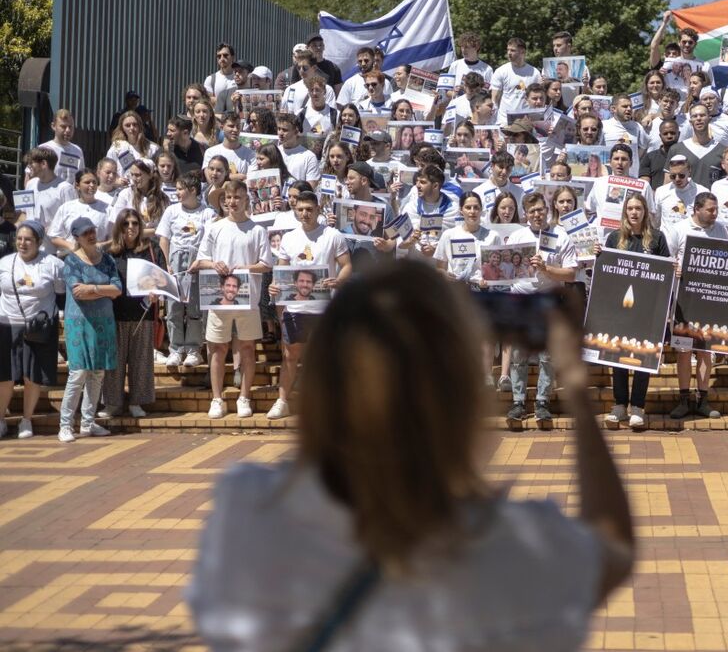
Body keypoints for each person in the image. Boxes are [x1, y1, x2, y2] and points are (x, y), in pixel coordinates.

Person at [188, 258, 633, 649]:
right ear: (459, 395)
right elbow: (613, 547)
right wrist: (574, 386)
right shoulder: (510, 547)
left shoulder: (246, 512)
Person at [267, 191, 351, 420]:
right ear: (295, 210)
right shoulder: (289, 238)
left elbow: (346, 265)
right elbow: (281, 271)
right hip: (295, 309)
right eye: (301, 209)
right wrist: (274, 287)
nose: (305, 213)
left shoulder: (332, 235)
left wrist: (339, 280)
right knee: (290, 356)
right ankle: (282, 401)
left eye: (309, 209)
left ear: (318, 210)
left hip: (325, 308)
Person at [194, 180, 273, 419]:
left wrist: (245, 268)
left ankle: (244, 397)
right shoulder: (215, 227)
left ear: (246, 199)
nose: (232, 202)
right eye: (228, 198)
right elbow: (201, 260)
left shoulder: (257, 230)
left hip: (248, 299)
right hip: (219, 299)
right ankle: (217, 399)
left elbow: (266, 264)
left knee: (248, 347)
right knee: (217, 348)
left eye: (237, 197)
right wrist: (213, 264)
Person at [596, 193, 669, 429]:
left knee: (642, 356)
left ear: (645, 211)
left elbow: (665, 273)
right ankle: (619, 405)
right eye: (630, 208)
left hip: (647, 310)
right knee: (617, 357)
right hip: (619, 309)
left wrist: (673, 270)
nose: (634, 212)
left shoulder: (657, 238)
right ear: (625, 212)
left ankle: (638, 407)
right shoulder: (614, 238)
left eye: (638, 208)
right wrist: (596, 255)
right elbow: (606, 273)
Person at [505, 192, 578, 427]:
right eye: (532, 211)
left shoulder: (561, 235)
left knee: (548, 356)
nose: (537, 214)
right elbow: (504, 270)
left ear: (547, 210)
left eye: (541, 209)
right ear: (526, 214)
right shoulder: (516, 236)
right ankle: (518, 402)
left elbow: (570, 273)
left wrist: (546, 269)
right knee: (518, 355)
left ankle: (542, 402)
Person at [57, 217, 122, 443]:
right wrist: (104, 290)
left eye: (92, 231)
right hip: (79, 323)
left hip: (103, 322)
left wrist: (93, 288)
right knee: (78, 373)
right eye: (85, 233)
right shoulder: (71, 262)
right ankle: (65, 425)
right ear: (76, 238)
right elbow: (77, 293)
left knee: (97, 373)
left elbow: (117, 290)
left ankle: (87, 422)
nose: (91, 235)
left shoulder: (108, 261)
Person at [664, 192, 726, 420]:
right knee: (683, 352)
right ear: (697, 209)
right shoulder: (679, 229)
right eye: (710, 209)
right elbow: (667, 260)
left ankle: (703, 400)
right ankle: (683, 400)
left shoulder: (720, 229)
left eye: (716, 209)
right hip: (684, 303)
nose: (715, 213)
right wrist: (675, 269)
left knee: (705, 352)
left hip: (710, 302)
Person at [0, 222, 64, 440]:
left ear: (38, 241)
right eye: (19, 238)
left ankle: (26, 420)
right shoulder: (5, 263)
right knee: (5, 376)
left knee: (31, 375)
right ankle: (0, 420)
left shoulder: (53, 264)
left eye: (28, 239)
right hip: (7, 325)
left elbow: (60, 293)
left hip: (37, 327)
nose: (22, 243)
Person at [101, 209, 166, 419]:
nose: (131, 228)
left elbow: (162, 278)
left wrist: (156, 292)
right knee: (114, 364)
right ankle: (112, 404)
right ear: (119, 226)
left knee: (141, 361)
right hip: (114, 314)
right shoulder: (110, 252)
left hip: (142, 314)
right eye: (126, 223)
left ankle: (137, 402)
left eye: (135, 223)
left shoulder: (151, 249)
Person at [156, 172, 216, 367]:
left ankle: (193, 349)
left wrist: (200, 261)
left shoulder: (207, 212)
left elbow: (209, 239)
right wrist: (167, 263)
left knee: (194, 308)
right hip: (175, 260)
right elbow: (163, 238)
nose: (178, 193)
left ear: (193, 190)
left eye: (181, 189)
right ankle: (175, 348)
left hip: (196, 261)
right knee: (174, 307)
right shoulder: (172, 211)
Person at [21, 148, 76, 256]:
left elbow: (72, 222)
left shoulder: (65, 189)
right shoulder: (30, 184)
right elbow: (24, 213)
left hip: (54, 253)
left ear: (43, 164)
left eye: (31, 163)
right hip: (29, 251)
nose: (28, 167)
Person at [48, 169, 112, 253]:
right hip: (71, 258)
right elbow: (54, 236)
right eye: (87, 182)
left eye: (94, 182)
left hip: (98, 258)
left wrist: (101, 245)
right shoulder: (66, 208)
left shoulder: (108, 209)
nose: (92, 185)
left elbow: (115, 238)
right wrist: (71, 246)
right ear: (77, 185)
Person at [668, 104, 724, 185]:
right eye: (695, 116)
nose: (698, 118)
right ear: (690, 122)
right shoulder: (676, 149)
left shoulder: (722, 150)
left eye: (702, 115)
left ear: (709, 119)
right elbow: (668, 183)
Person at [490, 37, 542, 124]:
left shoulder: (534, 73)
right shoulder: (501, 71)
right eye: (508, 50)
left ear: (522, 52)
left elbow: (539, 98)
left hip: (526, 121)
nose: (509, 53)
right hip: (505, 121)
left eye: (513, 50)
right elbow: (495, 98)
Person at [654, 154, 708, 230]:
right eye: (673, 176)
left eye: (681, 175)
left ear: (689, 171)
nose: (677, 179)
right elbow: (656, 221)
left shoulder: (702, 192)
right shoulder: (661, 192)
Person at [38, 109, 84, 184]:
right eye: (63, 126)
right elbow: (30, 177)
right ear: (53, 126)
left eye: (70, 126)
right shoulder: (43, 149)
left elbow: (81, 178)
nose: (68, 130)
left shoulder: (78, 151)